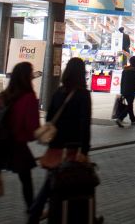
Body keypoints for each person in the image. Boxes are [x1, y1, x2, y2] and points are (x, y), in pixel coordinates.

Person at [28, 57, 92, 224]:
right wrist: (84, 151)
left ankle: (44, 213)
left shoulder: (59, 92)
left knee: (53, 181)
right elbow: (85, 124)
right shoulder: (83, 95)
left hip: (56, 146)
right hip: (72, 148)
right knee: (69, 184)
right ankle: (55, 214)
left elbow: (49, 118)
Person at [0, 61, 40, 224]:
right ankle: (31, 213)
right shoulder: (29, 97)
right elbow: (32, 126)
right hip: (17, 144)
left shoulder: (4, 95)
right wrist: (38, 136)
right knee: (26, 180)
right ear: (27, 77)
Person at [116, 55, 135, 127]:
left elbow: (122, 81)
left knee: (130, 105)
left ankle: (133, 120)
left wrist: (121, 91)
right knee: (129, 106)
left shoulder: (125, 69)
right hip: (131, 91)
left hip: (124, 89)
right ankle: (120, 119)